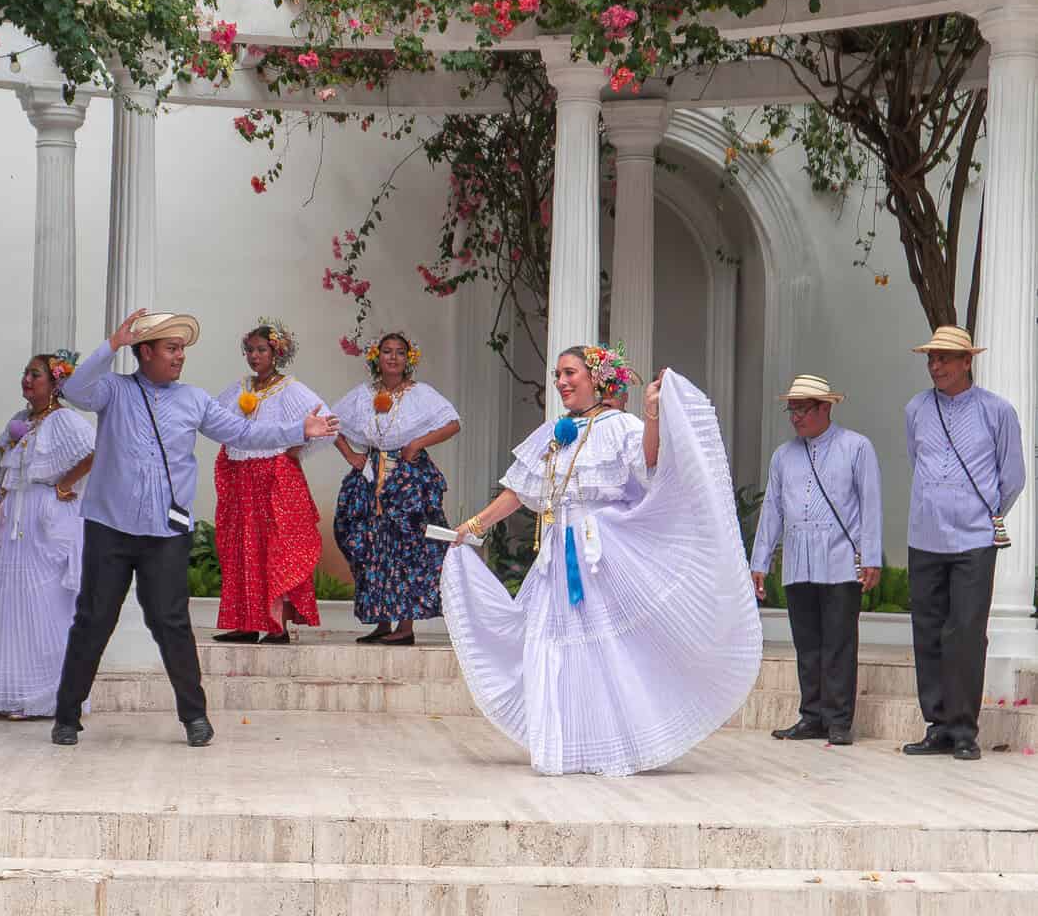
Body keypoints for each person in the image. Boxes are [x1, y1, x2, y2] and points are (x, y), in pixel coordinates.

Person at [443, 345, 761, 776]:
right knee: (550, 641)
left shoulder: (620, 426)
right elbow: (520, 491)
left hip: (599, 556)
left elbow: (647, 464)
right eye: (557, 374)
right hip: (557, 557)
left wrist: (651, 414)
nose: (561, 382)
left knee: (607, 646)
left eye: (570, 372)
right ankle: (566, 742)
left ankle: (615, 743)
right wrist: (474, 526)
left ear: (595, 378)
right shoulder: (555, 432)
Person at [52, 310, 340, 747]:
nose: (180, 357)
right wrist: (111, 344)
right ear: (145, 352)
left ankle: (195, 717)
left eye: (182, 349)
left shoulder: (195, 400)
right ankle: (67, 717)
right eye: (171, 349)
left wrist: (298, 429)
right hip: (109, 527)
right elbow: (74, 389)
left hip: (166, 534)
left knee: (171, 622)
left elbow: (243, 434)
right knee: (94, 619)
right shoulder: (114, 389)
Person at [902, 326, 1026, 762]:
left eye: (945, 359)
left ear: (966, 361)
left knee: (966, 633)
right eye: (931, 359)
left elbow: (1012, 477)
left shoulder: (997, 411)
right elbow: (917, 462)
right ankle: (936, 725)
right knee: (928, 632)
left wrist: (983, 514)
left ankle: (963, 729)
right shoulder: (916, 408)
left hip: (974, 539)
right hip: (925, 536)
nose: (936, 367)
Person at [751, 374, 883, 746]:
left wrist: (871, 556)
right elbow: (772, 510)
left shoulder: (856, 447)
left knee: (839, 641)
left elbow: (870, 504)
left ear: (826, 407)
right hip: (798, 559)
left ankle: (839, 720)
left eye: (803, 408)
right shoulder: (782, 455)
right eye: (791, 409)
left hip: (841, 558)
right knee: (806, 642)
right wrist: (759, 562)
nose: (796, 417)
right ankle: (812, 715)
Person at [0, 351, 95, 719]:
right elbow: (4, 470)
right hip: (11, 524)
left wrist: (65, 484)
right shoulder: (20, 420)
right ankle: (8, 691)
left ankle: (42, 695)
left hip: (42, 522)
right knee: (8, 599)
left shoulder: (66, 420)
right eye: (25, 372)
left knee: (41, 602)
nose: (27, 379)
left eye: (36, 374)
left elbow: (96, 451)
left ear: (55, 382)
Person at [332, 332, 461, 645]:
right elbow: (329, 423)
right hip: (369, 477)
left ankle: (405, 626)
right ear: (377, 357)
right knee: (369, 544)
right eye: (387, 351)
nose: (392, 357)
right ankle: (381, 621)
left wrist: (418, 442)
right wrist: (352, 455)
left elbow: (452, 423)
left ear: (409, 359)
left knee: (406, 545)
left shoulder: (420, 393)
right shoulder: (364, 394)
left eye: (400, 352)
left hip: (408, 477)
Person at [211, 319, 331, 644]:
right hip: (241, 476)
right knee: (241, 545)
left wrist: (296, 451)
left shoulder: (290, 389)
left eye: (261, 349)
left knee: (272, 546)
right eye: (250, 350)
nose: (254, 356)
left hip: (274, 478)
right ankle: (245, 622)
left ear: (275, 352)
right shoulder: (240, 388)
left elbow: (327, 420)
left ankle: (277, 625)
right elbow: (214, 419)